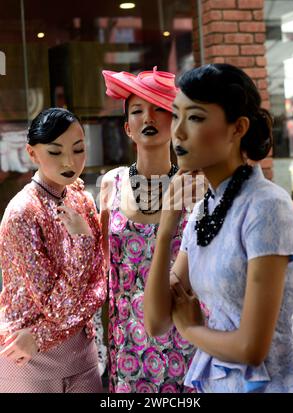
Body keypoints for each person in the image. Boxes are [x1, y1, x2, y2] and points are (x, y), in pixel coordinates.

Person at [144, 63, 293, 393]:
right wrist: (166, 227)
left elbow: (251, 348)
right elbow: (157, 322)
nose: (179, 132)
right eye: (176, 115)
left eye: (196, 117)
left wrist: (189, 330)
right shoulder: (204, 211)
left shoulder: (266, 207)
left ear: (237, 128)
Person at [100, 67, 196, 393]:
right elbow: (105, 271)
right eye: (138, 111)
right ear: (127, 128)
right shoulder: (110, 185)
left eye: (158, 108)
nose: (148, 117)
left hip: (182, 338)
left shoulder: (193, 188)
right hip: (125, 341)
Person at [0, 108, 107, 393]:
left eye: (79, 149)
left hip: (78, 352)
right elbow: (55, 306)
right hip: (28, 360)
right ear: (32, 154)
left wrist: (38, 334)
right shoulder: (22, 213)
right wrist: (83, 243)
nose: (70, 161)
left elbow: (100, 286)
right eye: (55, 152)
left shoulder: (83, 200)